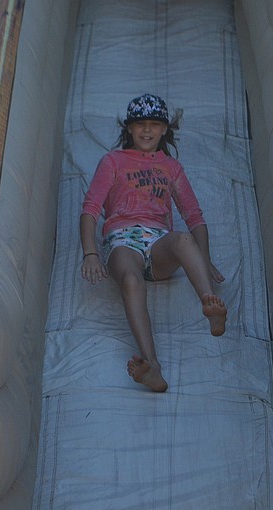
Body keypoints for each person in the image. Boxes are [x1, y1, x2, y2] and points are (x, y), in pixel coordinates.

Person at [79, 93, 227, 393]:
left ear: (164, 130)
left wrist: (204, 258)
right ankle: (153, 366)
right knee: (132, 281)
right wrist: (91, 253)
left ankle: (209, 305)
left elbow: (193, 215)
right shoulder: (113, 161)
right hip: (122, 239)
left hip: (158, 240)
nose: (147, 131)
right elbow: (90, 209)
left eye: (154, 125)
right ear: (129, 129)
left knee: (185, 240)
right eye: (140, 125)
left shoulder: (170, 167)